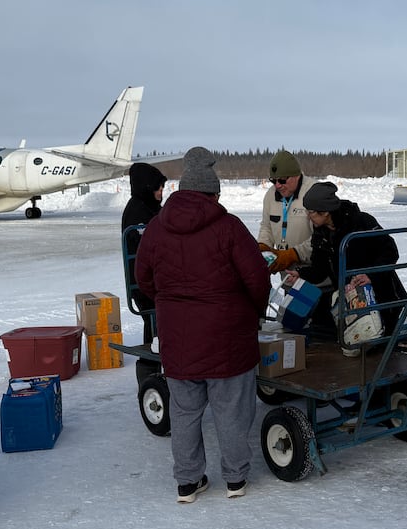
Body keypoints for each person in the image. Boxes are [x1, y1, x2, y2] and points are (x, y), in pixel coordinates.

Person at [134, 147, 271, 503]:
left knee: (184, 413)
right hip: (228, 338)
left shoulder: (155, 228)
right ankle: (235, 480)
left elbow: (143, 278)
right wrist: (254, 312)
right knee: (231, 411)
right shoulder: (229, 227)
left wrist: (168, 303)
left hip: (178, 340)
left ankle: (187, 483)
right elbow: (257, 279)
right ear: (213, 193)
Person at [297, 181, 407, 338]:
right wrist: (300, 274)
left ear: (325, 212)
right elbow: (319, 270)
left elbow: (390, 251)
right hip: (351, 300)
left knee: (377, 348)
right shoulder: (321, 233)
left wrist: (370, 276)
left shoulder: (362, 222)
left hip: (382, 297)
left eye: (311, 212)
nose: (308, 216)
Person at [121, 162, 167, 346]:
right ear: (147, 187)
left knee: (156, 319)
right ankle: (152, 361)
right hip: (145, 282)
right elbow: (150, 246)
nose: (161, 192)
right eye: (158, 188)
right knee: (155, 319)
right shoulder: (138, 211)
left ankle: (154, 357)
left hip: (149, 279)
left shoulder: (151, 207)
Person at [257, 150, 316, 273]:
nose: (277, 185)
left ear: (296, 175)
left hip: (315, 275)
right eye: (273, 181)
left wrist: (292, 255)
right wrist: (263, 247)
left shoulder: (313, 193)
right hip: (287, 276)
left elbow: (321, 238)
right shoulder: (270, 195)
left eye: (282, 180)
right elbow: (267, 227)